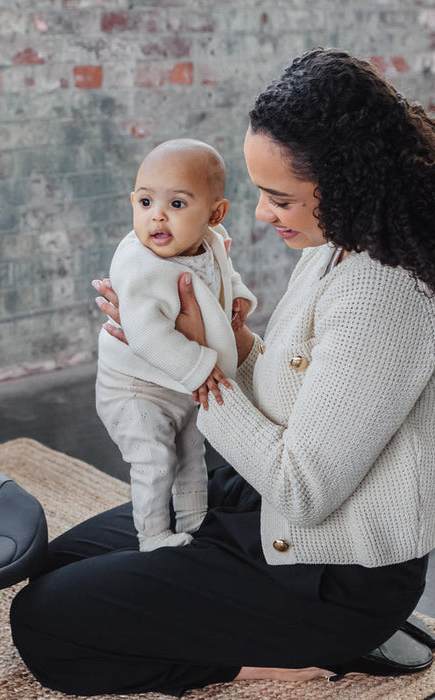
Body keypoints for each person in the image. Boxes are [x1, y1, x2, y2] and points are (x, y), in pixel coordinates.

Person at [10, 48, 435, 696]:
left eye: (278, 197)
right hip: (259, 510)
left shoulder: (389, 295)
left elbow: (302, 488)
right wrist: (225, 338)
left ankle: (261, 659)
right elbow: (296, 390)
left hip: (327, 575)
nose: (261, 213)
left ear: (346, 181)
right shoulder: (339, 243)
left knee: (44, 622)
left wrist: (189, 365)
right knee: (51, 560)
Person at [96, 138, 257, 552]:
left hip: (177, 383)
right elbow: (147, 334)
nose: (158, 217)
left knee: (191, 455)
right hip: (136, 386)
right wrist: (199, 369)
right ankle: (152, 535)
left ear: (214, 215)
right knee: (154, 461)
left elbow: (222, 270)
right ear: (132, 202)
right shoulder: (138, 263)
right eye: (146, 202)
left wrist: (237, 296)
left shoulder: (211, 241)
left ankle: (194, 522)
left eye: (178, 205)